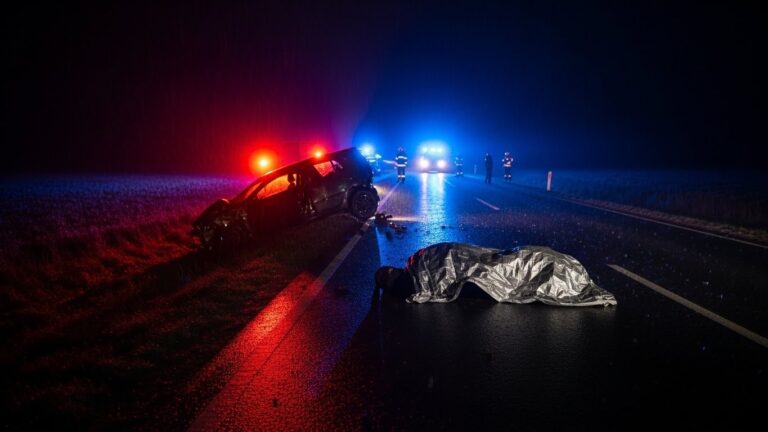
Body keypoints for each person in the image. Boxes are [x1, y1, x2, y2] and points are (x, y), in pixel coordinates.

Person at [374, 242, 617, 306]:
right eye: (390, 273)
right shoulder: (417, 268)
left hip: (473, 258)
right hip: (476, 262)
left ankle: (549, 266)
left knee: (514, 260)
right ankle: (549, 267)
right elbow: (435, 281)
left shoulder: (418, 261)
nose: (392, 269)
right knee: (512, 263)